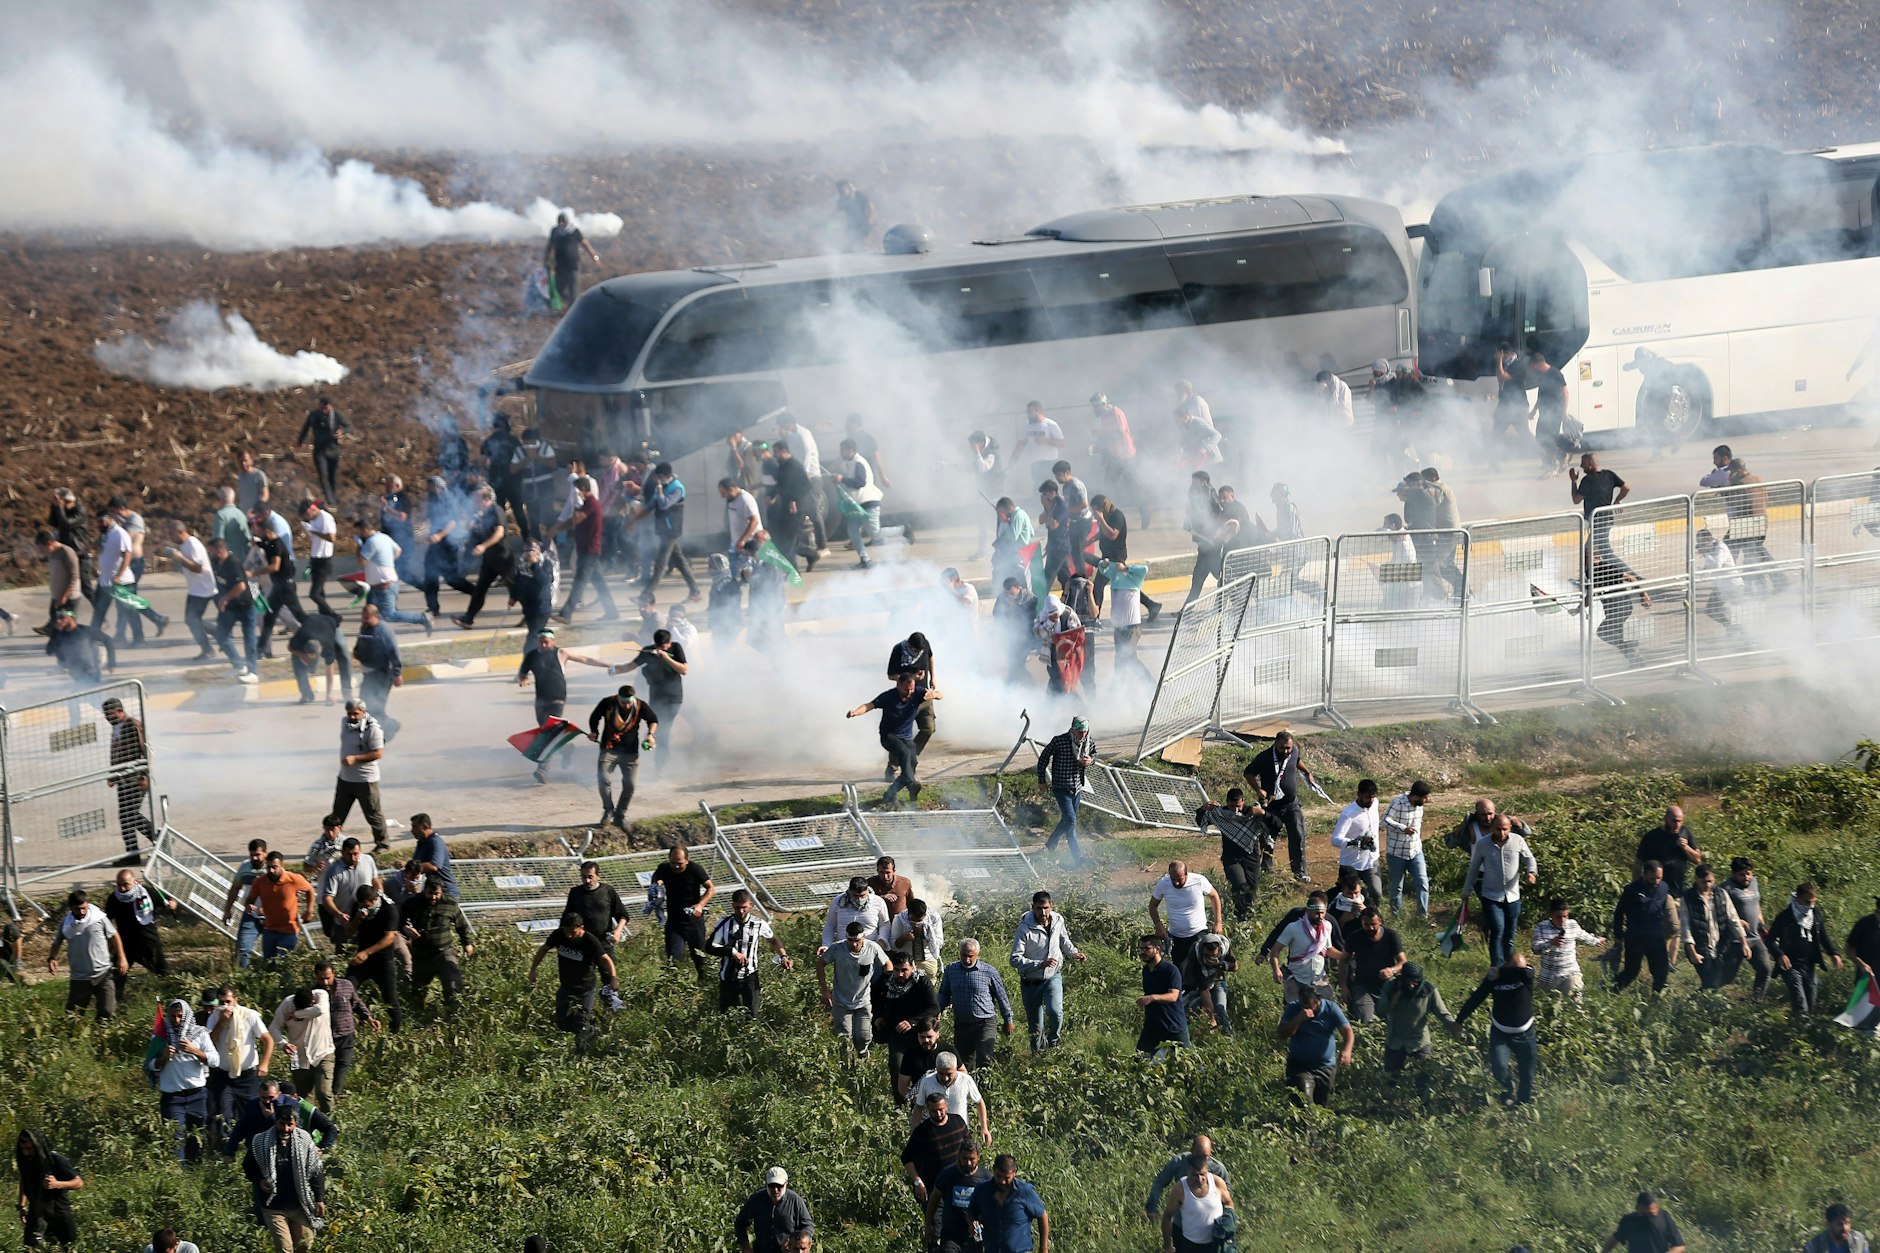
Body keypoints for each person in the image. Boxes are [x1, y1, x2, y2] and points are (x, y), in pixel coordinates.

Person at [516, 628, 611, 783]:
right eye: (541, 641)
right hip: (541, 700)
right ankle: (566, 749)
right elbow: (522, 672)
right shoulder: (532, 655)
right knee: (546, 732)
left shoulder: (561, 653)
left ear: (553, 641)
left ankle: (543, 770)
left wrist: (609, 665)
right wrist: (523, 679)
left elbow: (585, 659)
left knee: (548, 734)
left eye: (547, 641)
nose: (544, 644)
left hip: (557, 698)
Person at [1451, 951, 1539, 1106]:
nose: (1520, 969)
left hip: (1525, 1032)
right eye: (1516, 967)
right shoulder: (1495, 978)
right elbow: (1477, 997)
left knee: (1527, 1073)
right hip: (1501, 1032)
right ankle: (1507, 1094)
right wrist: (1459, 1020)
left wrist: (1499, 971)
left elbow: (1523, 971)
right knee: (1499, 1068)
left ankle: (1523, 1104)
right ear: (1507, 965)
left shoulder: (1527, 973)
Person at [846, 672, 942, 806]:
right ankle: (911, 784)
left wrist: (933, 695)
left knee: (912, 764)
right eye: (906, 690)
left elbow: (940, 695)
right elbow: (869, 705)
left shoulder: (918, 693)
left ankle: (890, 794)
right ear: (898, 686)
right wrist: (855, 712)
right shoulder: (889, 696)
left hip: (906, 738)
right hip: (889, 737)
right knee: (905, 754)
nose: (909, 693)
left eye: (912, 690)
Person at [243, 1102, 328, 1253]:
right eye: (282, 1124)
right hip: (273, 1205)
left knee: (305, 1243)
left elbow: (316, 1171)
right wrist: (259, 1180)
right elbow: (249, 1166)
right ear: (276, 1121)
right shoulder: (261, 1141)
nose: (286, 1129)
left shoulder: (304, 1141)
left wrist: (319, 1198)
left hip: (298, 1204)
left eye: (290, 1125)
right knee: (285, 1248)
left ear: (296, 1123)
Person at [1010, 890, 1088, 1051]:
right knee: (1036, 1026)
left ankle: (1054, 1043)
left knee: (1055, 1012)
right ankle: (1038, 1057)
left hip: (1052, 976)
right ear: (1033, 908)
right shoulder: (1024, 929)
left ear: (1051, 906)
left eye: (1045, 908)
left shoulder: (1058, 920)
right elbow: (1014, 959)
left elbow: (1064, 939)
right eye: (1039, 908)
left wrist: (1074, 953)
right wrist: (1039, 964)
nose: (1043, 912)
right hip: (1031, 981)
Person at [527, 910, 619, 1039]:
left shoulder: (590, 941)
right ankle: (587, 1030)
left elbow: (606, 960)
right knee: (562, 1023)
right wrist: (533, 969)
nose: (569, 935)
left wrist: (613, 979)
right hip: (566, 987)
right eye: (566, 931)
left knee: (581, 1026)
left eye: (573, 932)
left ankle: (590, 1037)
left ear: (581, 928)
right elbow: (543, 949)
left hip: (585, 989)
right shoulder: (559, 935)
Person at [205, 985, 275, 1151]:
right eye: (221, 1002)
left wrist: (264, 1063)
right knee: (223, 1113)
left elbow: (268, 1039)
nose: (226, 1006)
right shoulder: (215, 1017)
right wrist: (222, 1022)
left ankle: (254, 1148)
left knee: (250, 1113)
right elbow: (210, 1041)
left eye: (228, 1001)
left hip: (247, 1075)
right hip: (224, 1076)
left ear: (236, 1000)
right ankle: (227, 1151)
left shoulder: (249, 1015)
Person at [1244, 731, 1319, 883]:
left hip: (1292, 804)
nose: (1285, 751)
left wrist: (1307, 772)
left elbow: (1297, 761)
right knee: (1267, 839)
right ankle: (1266, 872)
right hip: (1272, 807)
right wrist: (1258, 790)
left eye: (1288, 748)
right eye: (1282, 748)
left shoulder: (1294, 751)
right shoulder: (1264, 757)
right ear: (1275, 744)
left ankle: (1300, 873)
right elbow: (1248, 773)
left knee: (1298, 836)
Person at [1466, 815, 1539, 965]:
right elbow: (1473, 869)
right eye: (1498, 829)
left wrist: (1531, 872)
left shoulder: (1517, 841)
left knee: (1510, 934)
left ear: (1510, 828)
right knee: (1498, 929)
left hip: (1512, 896)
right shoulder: (1483, 844)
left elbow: (1529, 858)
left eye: (1505, 829)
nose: (1501, 833)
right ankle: (1497, 967)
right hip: (1491, 896)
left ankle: (1509, 966)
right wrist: (1466, 890)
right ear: (1492, 828)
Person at [707, 888, 793, 1015]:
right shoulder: (724, 923)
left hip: (750, 976)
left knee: (752, 1015)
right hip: (727, 977)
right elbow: (710, 947)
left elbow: (774, 940)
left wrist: (784, 956)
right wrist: (733, 952)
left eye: (744, 907)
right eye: (737, 908)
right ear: (732, 906)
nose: (741, 911)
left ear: (751, 906)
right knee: (727, 1016)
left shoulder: (759, 924)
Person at [152, 997, 218, 1161]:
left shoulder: (199, 1033)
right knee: (175, 1140)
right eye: (173, 1016)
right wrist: (163, 1057)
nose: (177, 1020)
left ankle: (194, 1176)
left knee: (196, 1138)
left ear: (187, 1015)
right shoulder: (160, 1037)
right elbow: (150, 1065)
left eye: (180, 1016)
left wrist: (194, 1050)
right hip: (172, 1098)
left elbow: (215, 1060)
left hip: (197, 1096)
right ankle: (176, 1179)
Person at [587, 683, 658, 833]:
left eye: (629, 702)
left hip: (630, 752)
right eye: (623, 702)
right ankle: (608, 810)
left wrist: (650, 735)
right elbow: (594, 717)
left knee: (630, 785)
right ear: (619, 698)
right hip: (609, 748)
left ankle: (620, 814)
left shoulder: (640, 705)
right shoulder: (607, 703)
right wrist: (594, 732)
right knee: (603, 779)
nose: (626, 705)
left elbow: (653, 719)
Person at [1767, 880, 1844, 1018]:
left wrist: (1833, 953)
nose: (1810, 906)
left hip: (1809, 965)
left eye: (1813, 902)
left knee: (1810, 1000)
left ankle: (1799, 1027)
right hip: (1790, 966)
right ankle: (1799, 1029)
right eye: (1807, 902)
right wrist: (1780, 955)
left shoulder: (1815, 914)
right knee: (1800, 1003)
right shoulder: (1785, 917)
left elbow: (1823, 935)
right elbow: (1770, 940)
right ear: (1798, 898)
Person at [616, 629, 690, 772]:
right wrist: (614, 670)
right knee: (656, 728)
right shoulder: (648, 651)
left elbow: (684, 670)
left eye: (664, 647)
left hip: (674, 698)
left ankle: (660, 764)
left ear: (669, 643)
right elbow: (630, 666)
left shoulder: (676, 648)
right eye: (658, 646)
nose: (661, 649)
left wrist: (665, 657)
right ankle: (660, 757)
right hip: (656, 698)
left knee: (663, 730)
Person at [47, 889, 127, 1019]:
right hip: (80, 978)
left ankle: (101, 1036)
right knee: (73, 1017)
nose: (82, 912)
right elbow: (57, 942)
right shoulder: (66, 924)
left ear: (87, 904)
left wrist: (122, 958)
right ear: (71, 908)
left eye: (84, 908)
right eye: (77, 909)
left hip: (103, 974)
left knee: (107, 1012)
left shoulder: (99, 918)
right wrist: (52, 958)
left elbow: (114, 936)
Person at [401, 876, 474, 1015]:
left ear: (441, 892)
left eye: (437, 894)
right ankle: (419, 1018)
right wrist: (405, 928)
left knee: (453, 985)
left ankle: (453, 1016)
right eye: (430, 893)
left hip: (444, 952)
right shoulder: (412, 903)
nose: (433, 897)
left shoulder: (450, 904)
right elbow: (398, 921)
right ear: (424, 891)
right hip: (421, 955)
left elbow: (462, 925)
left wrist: (467, 943)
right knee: (418, 992)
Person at [937, 938, 1015, 1067]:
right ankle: (970, 1086)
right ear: (959, 953)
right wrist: (936, 1012)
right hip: (962, 1024)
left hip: (985, 1023)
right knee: (963, 1062)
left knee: (984, 1058)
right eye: (964, 955)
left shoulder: (988, 971)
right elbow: (943, 994)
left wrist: (1008, 1020)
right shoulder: (951, 970)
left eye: (970, 956)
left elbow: (1002, 997)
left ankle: (985, 1086)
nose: (967, 960)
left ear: (977, 955)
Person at [817, 920, 891, 1055]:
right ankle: (846, 1068)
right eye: (850, 940)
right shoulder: (837, 948)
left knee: (863, 1037)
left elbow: (887, 964)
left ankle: (863, 1060)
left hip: (863, 1001)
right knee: (844, 1038)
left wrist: (886, 985)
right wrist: (825, 991)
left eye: (857, 940)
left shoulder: (872, 947)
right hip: (841, 1001)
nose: (854, 944)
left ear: (863, 937)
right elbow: (821, 964)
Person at [326, 698, 390, 851]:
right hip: (345, 778)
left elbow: (378, 753)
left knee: (373, 814)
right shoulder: (344, 723)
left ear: (363, 712)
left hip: (365, 780)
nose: (352, 717)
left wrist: (355, 759)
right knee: (337, 815)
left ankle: (383, 843)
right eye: (350, 713)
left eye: (356, 713)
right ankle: (331, 843)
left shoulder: (372, 728)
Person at [1277, 984, 1353, 1106]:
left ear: (1318, 1001)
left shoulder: (1331, 1009)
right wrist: (1298, 1019)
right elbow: (1282, 1034)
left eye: (1310, 1007)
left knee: (1322, 1107)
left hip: (1326, 1067)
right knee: (1304, 1103)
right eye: (1303, 1006)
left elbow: (1347, 1031)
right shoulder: (1293, 1008)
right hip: (1300, 1067)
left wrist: (1347, 1050)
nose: (1307, 1010)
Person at [554, 475, 617, 623]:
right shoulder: (586, 504)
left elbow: (576, 518)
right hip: (587, 549)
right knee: (599, 583)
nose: (575, 493)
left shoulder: (590, 503)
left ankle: (566, 614)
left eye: (576, 490)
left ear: (582, 489)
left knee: (579, 582)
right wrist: (556, 530)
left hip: (589, 550)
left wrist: (576, 503)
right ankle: (612, 611)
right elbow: (572, 521)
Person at [902, 1094, 976, 1217]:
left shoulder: (958, 1122)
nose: (938, 1114)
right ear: (927, 1109)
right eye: (934, 1111)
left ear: (946, 1106)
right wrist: (917, 1182)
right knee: (935, 1228)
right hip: (934, 1189)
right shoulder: (922, 1131)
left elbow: (970, 1148)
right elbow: (906, 1157)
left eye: (941, 1109)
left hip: (959, 1187)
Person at [345, 885, 405, 1032]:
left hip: (383, 960)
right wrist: (357, 920)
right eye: (361, 905)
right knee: (346, 989)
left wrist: (367, 953)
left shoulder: (388, 909)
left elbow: (389, 938)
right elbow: (348, 932)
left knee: (390, 999)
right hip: (363, 959)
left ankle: (395, 1032)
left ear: (374, 900)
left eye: (366, 905)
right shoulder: (358, 907)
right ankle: (351, 1025)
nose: (364, 908)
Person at [104, 866, 173, 995]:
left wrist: (172, 904)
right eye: (119, 885)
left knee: (163, 973)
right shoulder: (114, 898)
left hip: (148, 942)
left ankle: (169, 1001)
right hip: (125, 945)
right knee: (116, 977)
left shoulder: (146, 893)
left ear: (134, 882)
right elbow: (107, 921)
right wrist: (111, 945)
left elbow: (169, 900)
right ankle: (115, 1008)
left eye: (126, 885)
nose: (122, 889)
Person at [1682, 865, 1751, 992]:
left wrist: (1744, 943)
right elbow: (1686, 926)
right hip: (1700, 947)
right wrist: (1692, 952)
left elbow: (1733, 918)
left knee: (1719, 981)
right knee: (1711, 982)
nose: (1707, 885)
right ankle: (1703, 1008)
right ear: (1696, 879)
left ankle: (1697, 1002)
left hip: (1720, 945)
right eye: (1704, 882)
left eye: (1710, 881)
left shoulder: (1721, 894)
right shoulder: (1688, 898)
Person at [1035, 716, 1095, 863]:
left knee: (1067, 821)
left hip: (1077, 787)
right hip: (1061, 786)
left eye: (1085, 732)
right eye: (1080, 732)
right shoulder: (1059, 741)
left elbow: (1094, 754)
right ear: (1073, 730)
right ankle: (1078, 856)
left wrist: (1091, 761)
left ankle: (1049, 846)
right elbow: (1043, 759)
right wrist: (1041, 780)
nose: (1083, 735)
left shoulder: (1088, 742)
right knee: (1071, 820)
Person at [650, 843, 715, 979]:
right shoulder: (664, 868)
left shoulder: (695, 869)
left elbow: (711, 888)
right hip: (674, 922)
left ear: (686, 860)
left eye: (680, 863)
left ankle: (704, 987)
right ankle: (674, 990)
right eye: (673, 863)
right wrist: (657, 886)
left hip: (693, 922)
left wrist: (700, 905)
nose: (676, 866)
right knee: (673, 960)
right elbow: (656, 878)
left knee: (700, 959)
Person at [269, 987, 336, 1114]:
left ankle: (330, 1124)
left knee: (324, 1093)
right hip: (299, 1057)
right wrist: (283, 1044)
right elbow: (273, 1028)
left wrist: (296, 1015)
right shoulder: (287, 1004)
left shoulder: (321, 995)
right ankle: (306, 1128)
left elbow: (319, 1010)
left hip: (323, 1053)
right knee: (302, 1098)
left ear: (312, 1002)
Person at [1611, 861, 1675, 993]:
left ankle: (1655, 1001)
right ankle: (1610, 991)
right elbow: (1619, 913)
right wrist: (1618, 936)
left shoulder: (1664, 887)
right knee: (1631, 972)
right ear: (1644, 874)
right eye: (1653, 878)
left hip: (1656, 938)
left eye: (1659, 878)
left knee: (1661, 972)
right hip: (1635, 938)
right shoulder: (1632, 890)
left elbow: (1664, 911)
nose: (1657, 881)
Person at [1269, 892, 1343, 1004]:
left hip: (1319, 979)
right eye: (1316, 913)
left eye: (1322, 913)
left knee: (1325, 1011)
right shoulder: (1293, 928)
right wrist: (1276, 970)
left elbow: (1327, 949)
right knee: (1295, 1013)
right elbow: (1275, 950)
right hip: (1297, 979)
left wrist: (1345, 956)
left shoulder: (1327, 926)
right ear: (1308, 912)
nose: (1320, 917)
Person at [875, 950, 938, 1081]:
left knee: (922, 1069)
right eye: (897, 970)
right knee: (896, 1067)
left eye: (904, 970)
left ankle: (921, 1099)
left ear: (913, 967)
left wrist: (912, 1022)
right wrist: (878, 1015)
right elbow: (872, 997)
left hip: (919, 1032)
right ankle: (901, 1100)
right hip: (896, 1032)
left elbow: (934, 1008)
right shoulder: (887, 980)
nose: (900, 974)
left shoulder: (921, 982)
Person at [15, 1130, 82, 1250]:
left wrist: (57, 1184)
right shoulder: (26, 1161)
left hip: (59, 1212)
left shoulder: (55, 1159)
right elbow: (24, 1179)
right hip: (37, 1213)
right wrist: (21, 1205)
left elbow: (78, 1183)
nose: (26, 1152)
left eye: (29, 1148)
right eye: (23, 1149)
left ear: (37, 1145)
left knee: (69, 1248)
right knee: (30, 1248)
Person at [970, 1154, 1050, 1253]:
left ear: (1014, 1173)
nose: (1002, 1181)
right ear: (994, 1170)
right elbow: (971, 1212)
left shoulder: (1025, 1192)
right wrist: (972, 1224)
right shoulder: (982, 1190)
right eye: (998, 1176)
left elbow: (1042, 1215)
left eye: (1007, 1178)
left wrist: (1043, 1248)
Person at [1149, 862, 1223, 967]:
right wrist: (1158, 926)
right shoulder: (1164, 884)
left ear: (1186, 874)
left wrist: (1218, 922)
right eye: (1173, 879)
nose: (1176, 883)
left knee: (1203, 967)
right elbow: (1152, 906)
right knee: (1181, 971)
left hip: (1199, 934)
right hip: (1177, 937)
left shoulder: (1199, 881)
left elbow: (1214, 896)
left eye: (1179, 879)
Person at [906, 1051, 990, 1142]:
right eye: (941, 1074)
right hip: (934, 1134)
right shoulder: (927, 1081)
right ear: (936, 1069)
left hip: (959, 1134)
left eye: (949, 1074)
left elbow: (979, 1102)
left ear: (956, 1069)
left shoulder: (966, 1080)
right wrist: (914, 1133)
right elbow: (918, 1107)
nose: (945, 1078)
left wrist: (984, 1128)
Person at [1340, 907, 1405, 1024]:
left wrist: (1392, 970)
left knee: (1389, 1021)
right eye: (1366, 924)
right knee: (1366, 1022)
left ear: (1380, 921)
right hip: (1363, 986)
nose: (1370, 928)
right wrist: (1343, 986)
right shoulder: (1355, 937)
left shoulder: (1391, 936)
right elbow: (1344, 961)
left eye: (1373, 924)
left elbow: (1403, 962)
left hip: (1386, 987)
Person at [1721, 856, 1775, 997]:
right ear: (1734, 874)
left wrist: (1759, 916)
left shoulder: (1754, 882)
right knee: (1726, 978)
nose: (1746, 877)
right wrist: (1737, 920)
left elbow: (1755, 900)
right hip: (1735, 940)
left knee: (1765, 969)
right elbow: (1719, 913)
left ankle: (1755, 1002)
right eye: (1742, 874)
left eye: (1748, 873)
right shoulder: (1726, 888)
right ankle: (1698, 999)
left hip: (1754, 936)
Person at [1531, 898, 1606, 999]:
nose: (1562, 920)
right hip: (1548, 977)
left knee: (1576, 1003)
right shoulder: (1541, 927)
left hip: (1570, 973)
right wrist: (1550, 943)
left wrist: (1596, 940)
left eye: (1565, 916)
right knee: (1545, 1007)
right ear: (1551, 915)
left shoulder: (1572, 925)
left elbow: (1584, 936)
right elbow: (1535, 949)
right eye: (1558, 917)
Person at [1160, 1153, 1235, 1253]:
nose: (1200, 1179)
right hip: (1191, 1245)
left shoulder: (1217, 1183)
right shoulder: (1180, 1189)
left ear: (1207, 1171)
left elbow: (1229, 1203)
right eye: (1195, 1175)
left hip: (1216, 1243)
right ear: (1188, 1172)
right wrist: (1168, 1246)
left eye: (1202, 1174)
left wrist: (1227, 1221)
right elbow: (1167, 1217)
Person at [351, 601, 403, 743]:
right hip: (368, 675)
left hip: (382, 675)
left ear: (375, 616)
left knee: (376, 709)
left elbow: (394, 652)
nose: (364, 620)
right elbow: (360, 644)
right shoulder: (364, 628)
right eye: (362, 618)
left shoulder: (384, 630)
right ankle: (376, 736)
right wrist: (357, 652)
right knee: (363, 708)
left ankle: (390, 727)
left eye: (366, 618)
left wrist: (397, 673)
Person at [930, 1141, 993, 1253]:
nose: (968, 1163)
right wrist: (929, 1223)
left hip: (975, 1237)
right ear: (959, 1156)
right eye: (964, 1158)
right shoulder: (947, 1174)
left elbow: (994, 1205)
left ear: (978, 1157)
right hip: (951, 1236)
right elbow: (934, 1198)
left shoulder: (987, 1178)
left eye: (972, 1159)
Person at [736, 1166, 814, 1253]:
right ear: (766, 1184)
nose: (775, 1190)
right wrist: (745, 1246)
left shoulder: (794, 1200)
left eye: (779, 1186)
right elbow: (740, 1222)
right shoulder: (756, 1200)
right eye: (771, 1186)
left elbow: (808, 1225)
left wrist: (794, 1242)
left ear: (786, 1184)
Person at [1329, 779, 1384, 904]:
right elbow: (1335, 840)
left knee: (1376, 893)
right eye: (1367, 797)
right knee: (1346, 897)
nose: (1370, 800)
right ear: (1358, 794)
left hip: (1371, 860)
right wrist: (1355, 842)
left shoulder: (1374, 804)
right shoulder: (1348, 814)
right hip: (1351, 864)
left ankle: (1372, 919)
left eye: (1373, 797)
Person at [1135, 934, 1189, 1056]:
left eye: (1146, 949)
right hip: (1152, 1027)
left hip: (1173, 1025)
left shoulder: (1170, 970)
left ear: (1157, 949)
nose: (1142, 952)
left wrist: (1152, 998)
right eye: (1140, 949)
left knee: (1188, 1061)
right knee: (1139, 1061)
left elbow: (1173, 996)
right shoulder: (1146, 971)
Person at [287, 611, 352, 706]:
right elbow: (289, 647)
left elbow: (330, 667)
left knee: (343, 655)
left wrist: (329, 694)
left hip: (331, 623)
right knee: (296, 659)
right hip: (311, 620)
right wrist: (301, 655)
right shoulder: (301, 637)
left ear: (321, 648)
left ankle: (347, 692)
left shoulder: (328, 645)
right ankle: (306, 694)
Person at [1637, 805, 1704, 895]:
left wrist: (1685, 847)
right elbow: (1638, 864)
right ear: (1665, 819)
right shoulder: (1652, 836)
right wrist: (1637, 887)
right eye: (1674, 821)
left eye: (1680, 821)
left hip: (1679, 889)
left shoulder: (1685, 832)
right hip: (1657, 889)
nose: (1677, 825)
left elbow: (1697, 859)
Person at [1181, 931, 1237, 1035]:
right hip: (1196, 985)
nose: (1211, 958)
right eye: (1208, 955)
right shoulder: (1195, 955)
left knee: (1220, 1010)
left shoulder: (1224, 945)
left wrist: (1220, 964)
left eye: (1214, 955)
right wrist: (1211, 1019)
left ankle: (1228, 1037)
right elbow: (1204, 990)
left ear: (1219, 950)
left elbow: (1235, 967)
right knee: (1191, 1009)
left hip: (1217, 980)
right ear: (1202, 950)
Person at [296, 396, 348, 505]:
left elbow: (348, 426)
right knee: (323, 475)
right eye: (321, 407)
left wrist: (342, 431)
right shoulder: (314, 415)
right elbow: (305, 428)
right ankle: (330, 500)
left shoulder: (336, 415)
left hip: (334, 450)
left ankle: (333, 499)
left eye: (326, 408)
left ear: (330, 406)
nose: (323, 410)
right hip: (320, 450)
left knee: (332, 476)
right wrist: (300, 441)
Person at [1599, 1192, 1686, 1253]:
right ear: (1637, 1208)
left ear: (1656, 1207)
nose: (1648, 1217)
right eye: (1644, 1213)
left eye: (1651, 1213)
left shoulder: (1664, 1217)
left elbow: (1679, 1246)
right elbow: (1615, 1238)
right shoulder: (1629, 1220)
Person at [544, 211, 600, 305]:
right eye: (560, 221)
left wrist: (595, 258)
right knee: (558, 289)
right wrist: (546, 260)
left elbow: (586, 244)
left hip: (573, 266)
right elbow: (549, 246)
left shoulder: (574, 231)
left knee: (573, 290)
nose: (561, 223)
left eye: (563, 221)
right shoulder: (555, 231)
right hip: (560, 266)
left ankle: (573, 309)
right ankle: (560, 306)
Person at [820, 878, 890, 951]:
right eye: (855, 896)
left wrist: (882, 941)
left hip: (870, 950)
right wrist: (826, 945)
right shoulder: (837, 901)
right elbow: (830, 925)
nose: (859, 899)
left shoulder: (878, 901)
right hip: (844, 950)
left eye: (862, 895)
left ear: (867, 891)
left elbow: (885, 924)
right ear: (849, 891)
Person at [890, 897, 945, 986]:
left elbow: (939, 942)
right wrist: (904, 938)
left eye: (920, 920)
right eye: (914, 920)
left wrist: (924, 934)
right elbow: (893, 945)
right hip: (905, 964)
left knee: (928, 992)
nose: (917, 923)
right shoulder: (899, 919)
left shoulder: (934, 918)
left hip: (928, 961)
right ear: (909, 913)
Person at [411, 812, 457, 899]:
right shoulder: (422, 842)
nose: (412, 831)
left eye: (415, 827)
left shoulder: (435, 842)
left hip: (445, 894)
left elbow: (434, 866)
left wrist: (409, 866)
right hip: (430, 893)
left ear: (425, 826)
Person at [1805, 1204, 1869, 1253]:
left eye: (1847, 1223)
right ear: (1829, 1224)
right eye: (1839, 1224)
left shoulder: (1858, 1240)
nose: (1845, 1228)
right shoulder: (1814, 1246)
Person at [834, 179, 876, 250]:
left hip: (863, 223)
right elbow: (838, 212)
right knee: (848, 243)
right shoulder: (841, 198)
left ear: (848, 187)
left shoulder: (858, 195)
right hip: (851, 225)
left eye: (845, 188)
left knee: (862, 243)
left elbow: (871, 206)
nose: (844, 190)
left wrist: (871, 219)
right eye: (841, 189)